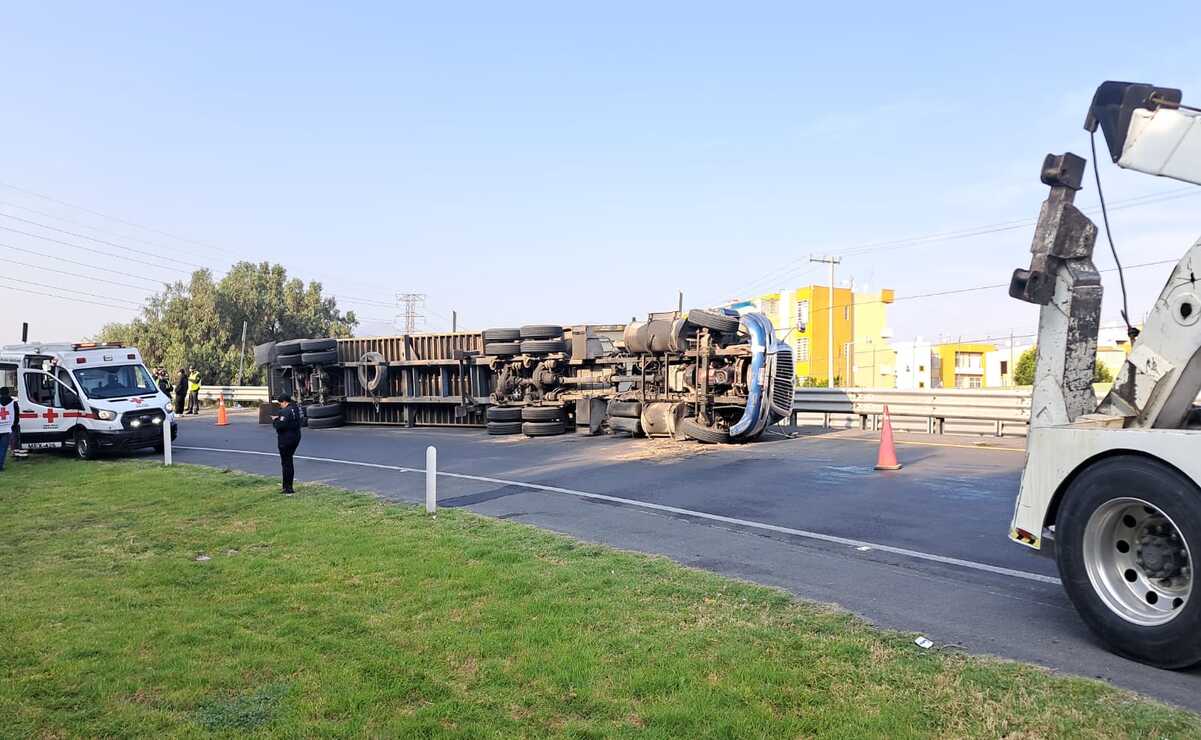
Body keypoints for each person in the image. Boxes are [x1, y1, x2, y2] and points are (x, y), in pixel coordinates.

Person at [272, 392, 303, 495]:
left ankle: (287, 488)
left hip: (286, 439)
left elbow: (279, 426)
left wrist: (275, 420)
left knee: (286, 463)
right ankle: (288, 486)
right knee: (289, 461)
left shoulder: (284, 411)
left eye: (280, 403)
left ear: (285, 402)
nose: (280, 405)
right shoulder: (296, 408)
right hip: (296, 437)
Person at [0, 386, 17, 471]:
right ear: (8, 393)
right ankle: (0, 465)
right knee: (3, 448)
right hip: (7, 429)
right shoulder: (14, 403)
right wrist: (13, 427)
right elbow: (17, 416)